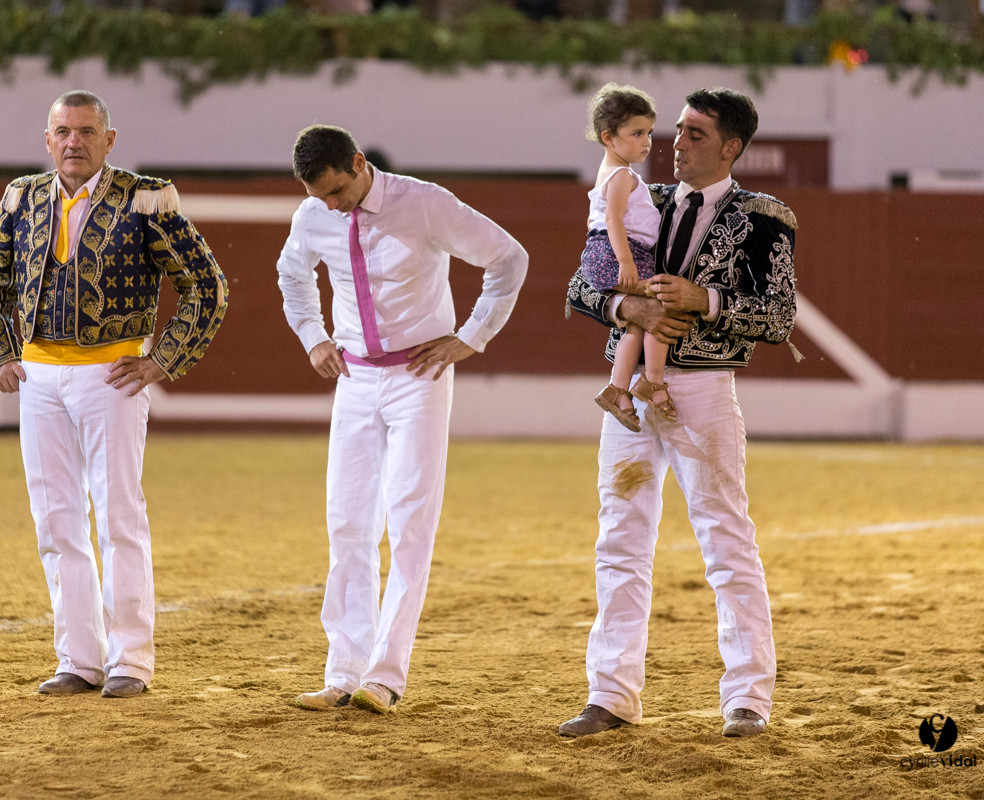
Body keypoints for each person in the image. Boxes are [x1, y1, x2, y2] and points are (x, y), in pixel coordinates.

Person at [0, 90, 228, 699]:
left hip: (111, 376)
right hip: (37, 377)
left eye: (86, 131)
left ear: (110, 139)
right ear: (48, 137)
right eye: (62, 131)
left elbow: (206, 284)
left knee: (118, 516)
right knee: (56, 520)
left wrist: (163, 357)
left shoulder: (145, 197)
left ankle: (130, 661)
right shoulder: (23, 197)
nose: (73, 142)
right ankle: (77, 660)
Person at [562, 87, 797, 738]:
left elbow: (777, 317)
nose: (676, 141)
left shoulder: (765, 216)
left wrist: (707, 298)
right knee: (619, 538)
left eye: (695, 133)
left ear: (731, 147)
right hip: (631, 388)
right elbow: (583, 284)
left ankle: (747, 699)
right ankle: (610, 696)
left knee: (725, 539)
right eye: (676, 130)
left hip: (701, 391)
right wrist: (621, 309)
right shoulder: (641, 195)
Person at [276, 125, 527, 714]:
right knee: (347, 522)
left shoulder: (424, 203)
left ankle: (385, 675)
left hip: (419, 376)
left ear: (359, 163)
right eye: (321, 198)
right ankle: (342, 671)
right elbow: (292, 276)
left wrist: (470, 338)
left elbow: (508, 258)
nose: (333, 206)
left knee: (410, 521)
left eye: (338, 191)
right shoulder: (314, 216)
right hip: (355, 378)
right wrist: (313, 337)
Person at [574, 83, 676, 433]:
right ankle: (653, 381)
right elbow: (614, 220)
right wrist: (626, 263)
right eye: (636, 133)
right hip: (617, 253)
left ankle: (619, 390)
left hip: (609, 252)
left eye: (648, 132)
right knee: (664, 305)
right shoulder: (621, 176)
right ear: (608, 137)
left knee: (638, 321)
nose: (646, 141)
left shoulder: (615, 174)